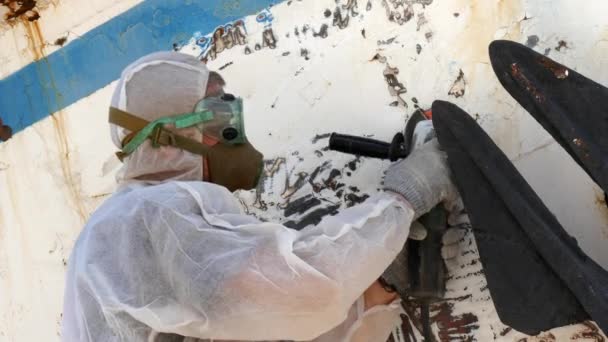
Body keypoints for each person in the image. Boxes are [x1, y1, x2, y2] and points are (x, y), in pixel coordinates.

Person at [61, 51, 461, 342]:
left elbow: (273, 319)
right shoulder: (147, 216)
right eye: (219, 117)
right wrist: (404, 197)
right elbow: (305, 288)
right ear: (167, 138)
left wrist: (381, 286)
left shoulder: (132, 231)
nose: (233, 133)